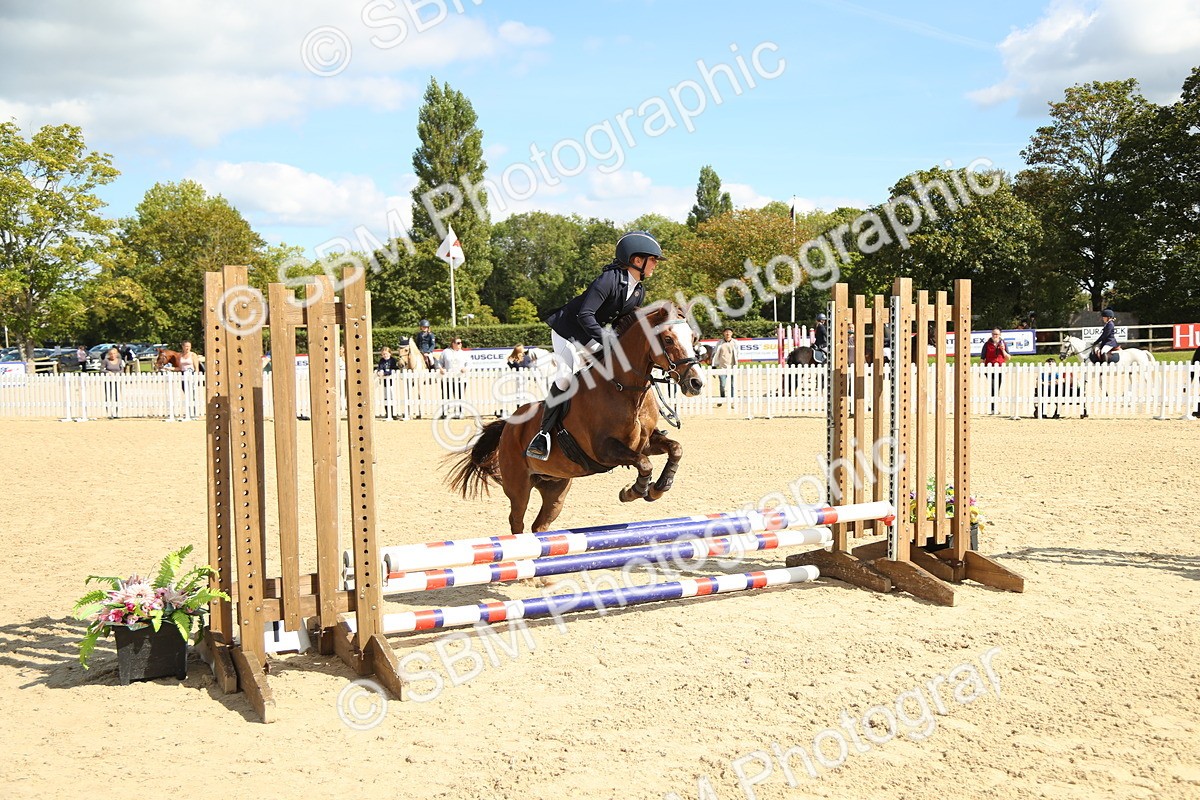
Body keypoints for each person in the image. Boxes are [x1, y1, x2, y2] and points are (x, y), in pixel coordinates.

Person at [525, 230, 663, 460]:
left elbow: (623, 323)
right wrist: (607, 341)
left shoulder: (638, 290)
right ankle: (543, 435)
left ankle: (640, 424)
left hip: (592, 335)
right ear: (637, 260)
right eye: (653, 260)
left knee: (620, 371)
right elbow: (585, 315)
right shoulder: (608, 280)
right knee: (566, 377)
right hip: (567, 331)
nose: (655, 265)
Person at [438, 337, 471, 419]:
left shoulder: (463, 353)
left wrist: (465, 368)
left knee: (460, 396)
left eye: (460, 342)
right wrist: (441, 369)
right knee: (446, 396)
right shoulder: (445, 352)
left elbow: (469, 364)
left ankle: (459, 412)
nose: (460, 344)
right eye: (458, 343)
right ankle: (445, 413)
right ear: (453, 344)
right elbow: (439, 363)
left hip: (460, 379)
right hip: (447, 379)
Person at [981, 328, 1009, 415]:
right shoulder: (987, 344)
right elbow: (982, 358)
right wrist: (981, 369)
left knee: (997, 387)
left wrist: (1003, 350)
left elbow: (1008, 358)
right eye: (993, 334)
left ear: (1000, 335)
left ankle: (994, 407)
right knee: (993, 387)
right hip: (990, 368)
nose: (995, 336)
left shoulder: (1003, 344)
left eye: (996, 334)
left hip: (1000, 368)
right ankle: (993, 408)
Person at [711, 328, 740, 404]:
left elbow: (738, 354)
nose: (727, 334)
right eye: (726, 332)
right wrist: (713, 365)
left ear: (732, 334)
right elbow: (715, 354)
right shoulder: (720, 343)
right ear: (723, 333)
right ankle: (722, 398)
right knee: (722, 385)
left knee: (732, 385)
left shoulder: (735, 343)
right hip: (722, 367)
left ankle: (732, 400)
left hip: (732, 367)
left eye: (729, 332)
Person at [376, 345, 400, 420]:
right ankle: (387, 413)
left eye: (386, 354)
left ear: (390, 353)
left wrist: (386, 373)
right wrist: (379, 372)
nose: (385, 355)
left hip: (392, 381)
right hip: (385, 382)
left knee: (392, 396)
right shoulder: (381, 360)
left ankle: (393, 413)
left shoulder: (393, 360)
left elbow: (394, 369)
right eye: (383, 354)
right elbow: (380, 367)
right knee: (386, 397)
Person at [102, 347, 123, 418]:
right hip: (108, 381)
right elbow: (101, 369)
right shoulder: (105, 361)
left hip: (117, 380)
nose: (112, 355)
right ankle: (109, 413)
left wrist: (117, 374)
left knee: (117, 396)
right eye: (111, 354)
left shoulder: (119, 361)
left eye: (114, 353)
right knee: (108, 396)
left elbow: (122, 369)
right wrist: (108, 372)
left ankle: (117, 412)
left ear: (116, 354)